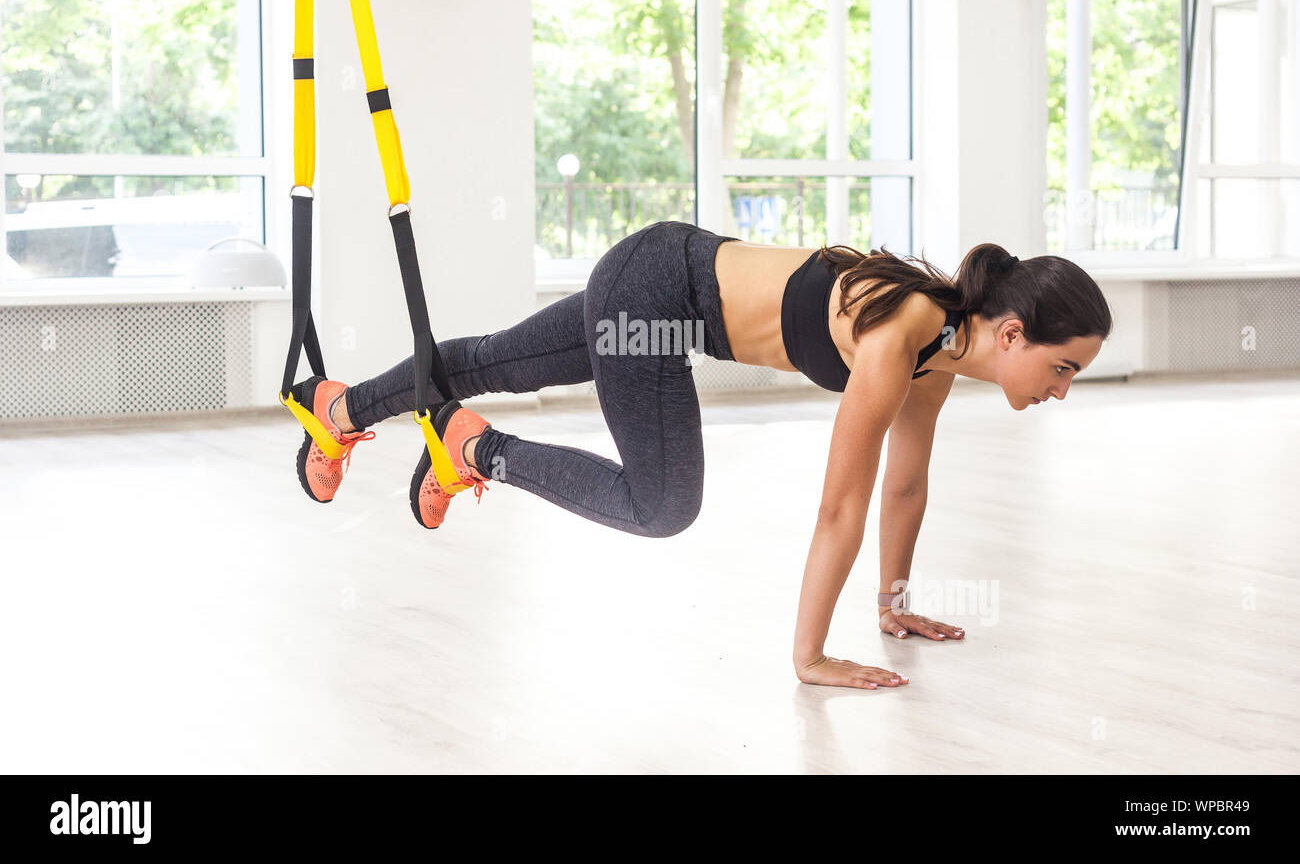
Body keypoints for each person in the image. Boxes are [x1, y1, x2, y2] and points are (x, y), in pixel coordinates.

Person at [286, 219, 1111, 689]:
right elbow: (840, 507)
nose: (1062, 390)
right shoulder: (902, 338)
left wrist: (892, 603)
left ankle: (343, 407)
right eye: (1062, 367)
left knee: (497, 360)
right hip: (657, 292)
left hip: (660, 282)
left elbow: (902, 493)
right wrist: (811, 655)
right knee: (664, 503)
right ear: (1012, 333)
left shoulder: (937, 355)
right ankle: (478, 451)